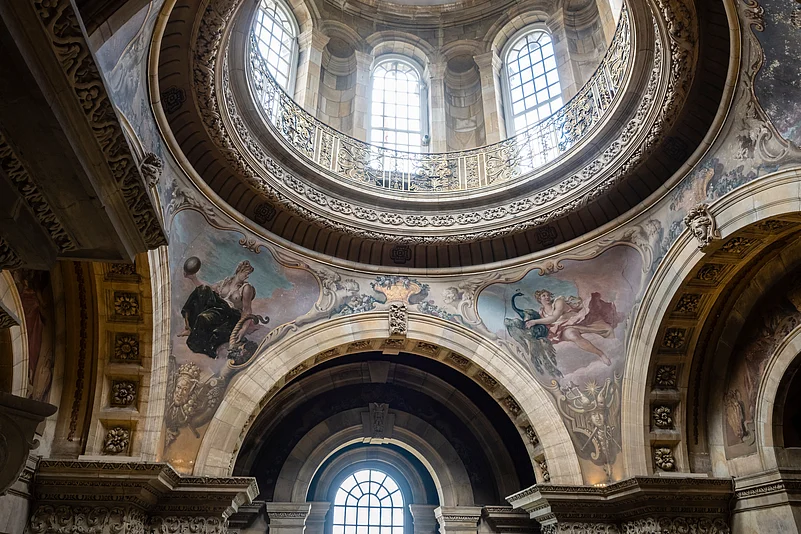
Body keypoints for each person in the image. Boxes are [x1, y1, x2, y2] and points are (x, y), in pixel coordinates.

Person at [178, 260, 264, 358]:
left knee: (203, 317)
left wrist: (243, 328)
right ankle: (189, 327)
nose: (247, 276)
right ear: (239, 270)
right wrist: (194, 279)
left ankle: (201, 345)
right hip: (219, 309)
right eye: (246, 273)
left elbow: (247, 310)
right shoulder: (226, 282)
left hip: (231, 315)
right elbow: (209, 289)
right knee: (202, 290)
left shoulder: (246, 288)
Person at [524, 289, 618, 365]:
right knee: (572, 335)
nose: (547, 297)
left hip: (578, 321)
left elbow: (554, 318)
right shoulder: (541, 312)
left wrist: (534, 321)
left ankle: (608, 352)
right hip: (563, 328)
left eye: (548, 295)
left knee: (607, 329)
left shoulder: (558, 302)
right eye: (543, 296)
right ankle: (600, 354)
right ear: (539, 299)